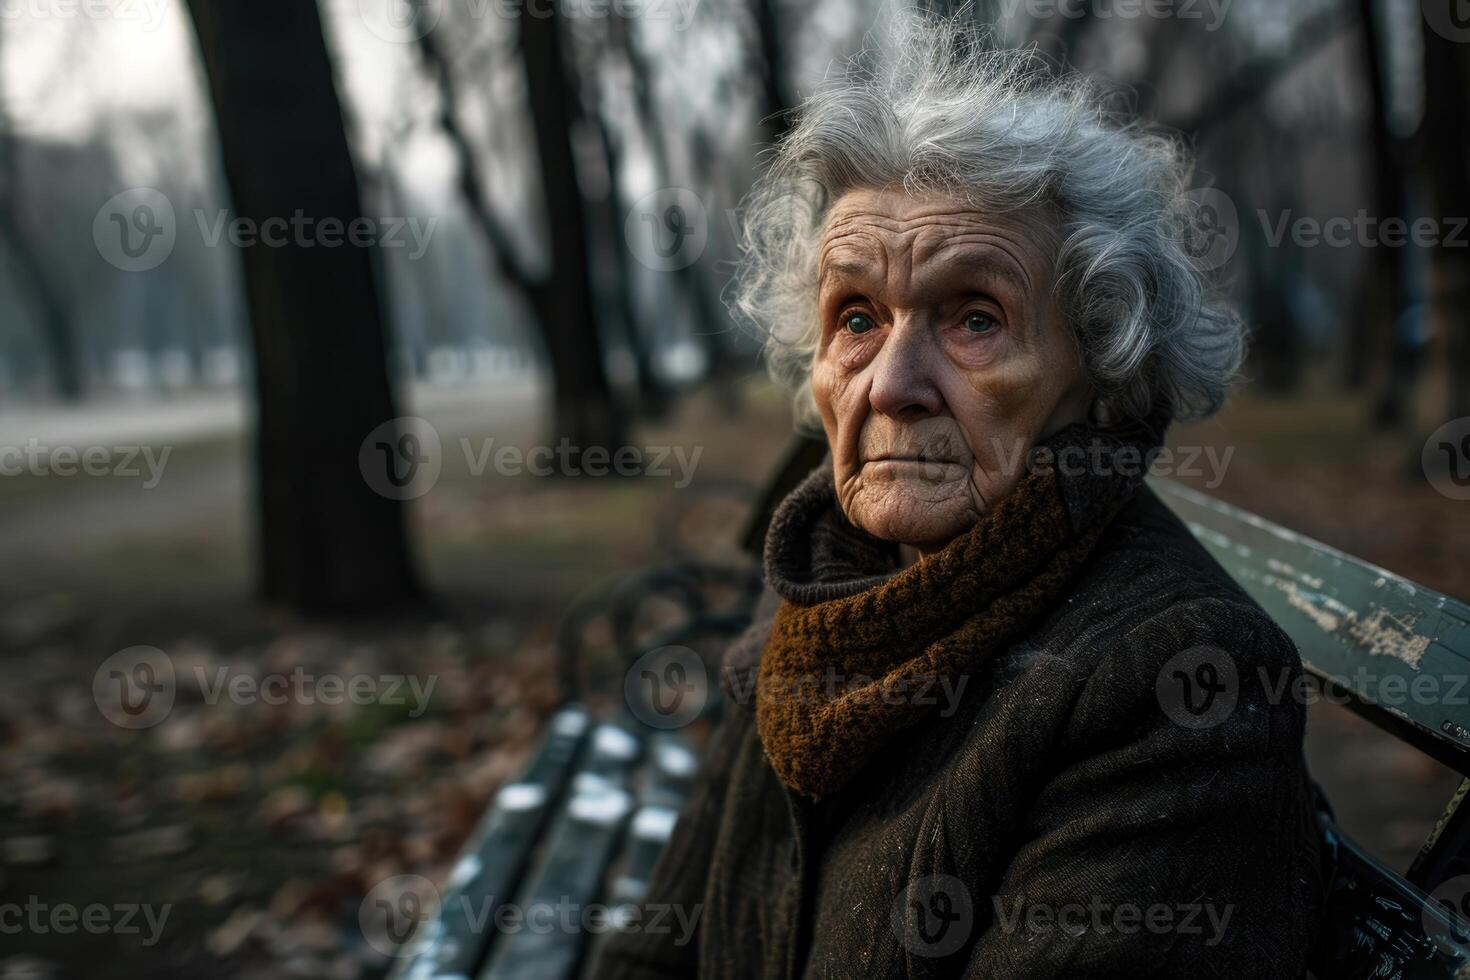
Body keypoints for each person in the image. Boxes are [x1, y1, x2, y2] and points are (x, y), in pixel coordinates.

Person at [594, 15, 1324, 978]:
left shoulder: (1171, 683)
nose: (891, 384)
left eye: (975, 318)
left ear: (1102, 361)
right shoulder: (824, 585)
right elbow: (657, 951)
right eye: (856, 317)